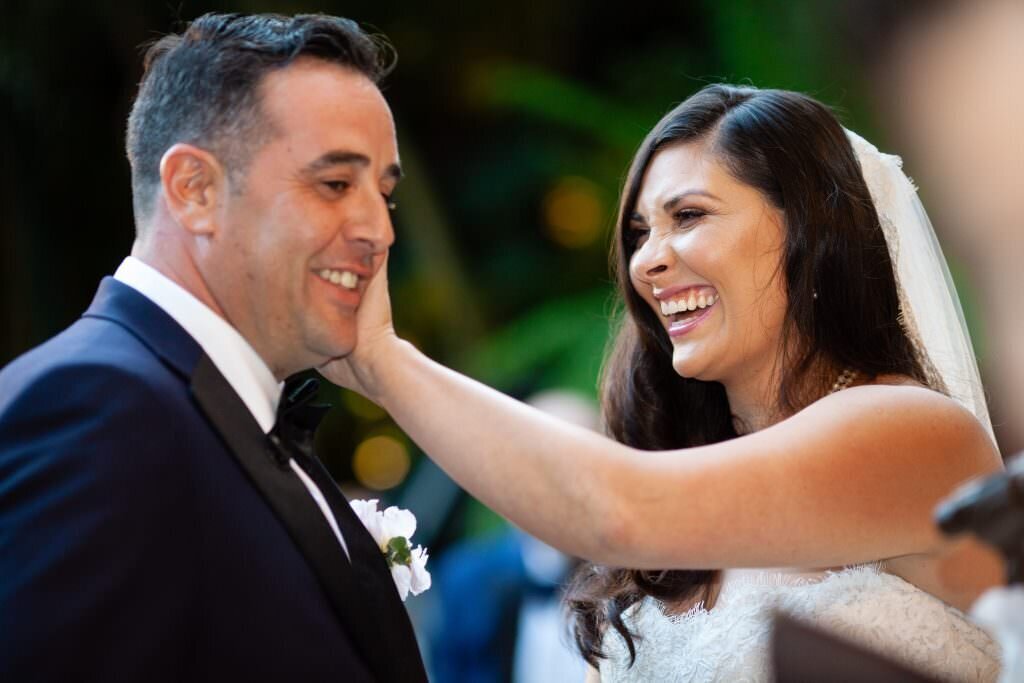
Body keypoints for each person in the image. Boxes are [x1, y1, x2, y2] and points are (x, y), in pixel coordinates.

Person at [322, 85, 1005, 680]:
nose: (647, 260)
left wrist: (382, 359)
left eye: (689, 216)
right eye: (641, 231)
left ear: (807, 232)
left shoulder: (916, 434)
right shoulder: (662, 510)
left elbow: (614, 511)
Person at [0, 13, 426, 682]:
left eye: (385, 195)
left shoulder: (233, 416)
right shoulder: (97, 409)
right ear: (194, 190)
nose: (378, 229)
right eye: (336, 184)